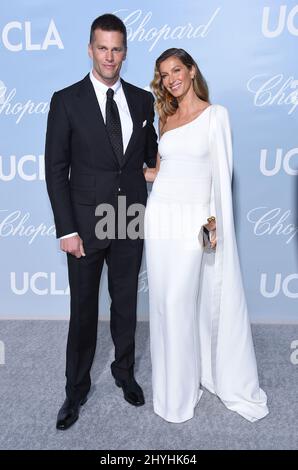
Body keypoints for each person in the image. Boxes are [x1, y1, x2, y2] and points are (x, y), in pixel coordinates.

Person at [144, 48, 269, 423]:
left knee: (181, 304)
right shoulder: (164, 118)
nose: (171, 79)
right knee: (163, 306)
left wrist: (213, 223)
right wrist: (122, 171)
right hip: (159, 220)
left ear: (192, 70)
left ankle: (180, 400)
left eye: (176, 70)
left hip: (191, 224)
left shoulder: (216, 116)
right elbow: (159, 173)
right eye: (164, 74)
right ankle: (171, 392)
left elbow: (221, 176)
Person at [45, 13, 158, 430]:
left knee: (126, 304)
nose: (110, 57)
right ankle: (75, 391)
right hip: (85, 225)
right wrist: (66, 229)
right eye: (102, 48)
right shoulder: (66, 100)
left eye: (117, 49)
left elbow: (152, 156)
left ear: (125, 52)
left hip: (129, 217)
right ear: (90, 49)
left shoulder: (143, 100)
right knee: (84, 311)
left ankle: (124, 373)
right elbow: (56, 170)